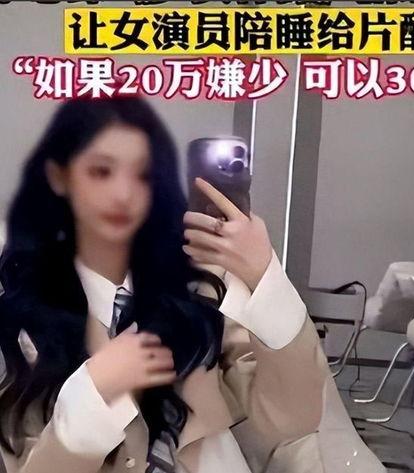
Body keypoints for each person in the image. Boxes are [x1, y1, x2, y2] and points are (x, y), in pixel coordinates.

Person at [0, 95, 329, 473]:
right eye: (101, 171)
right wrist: (91, 398)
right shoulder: (18, 325)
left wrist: (262, 275)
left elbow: (293, 419)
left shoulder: (201, 298)